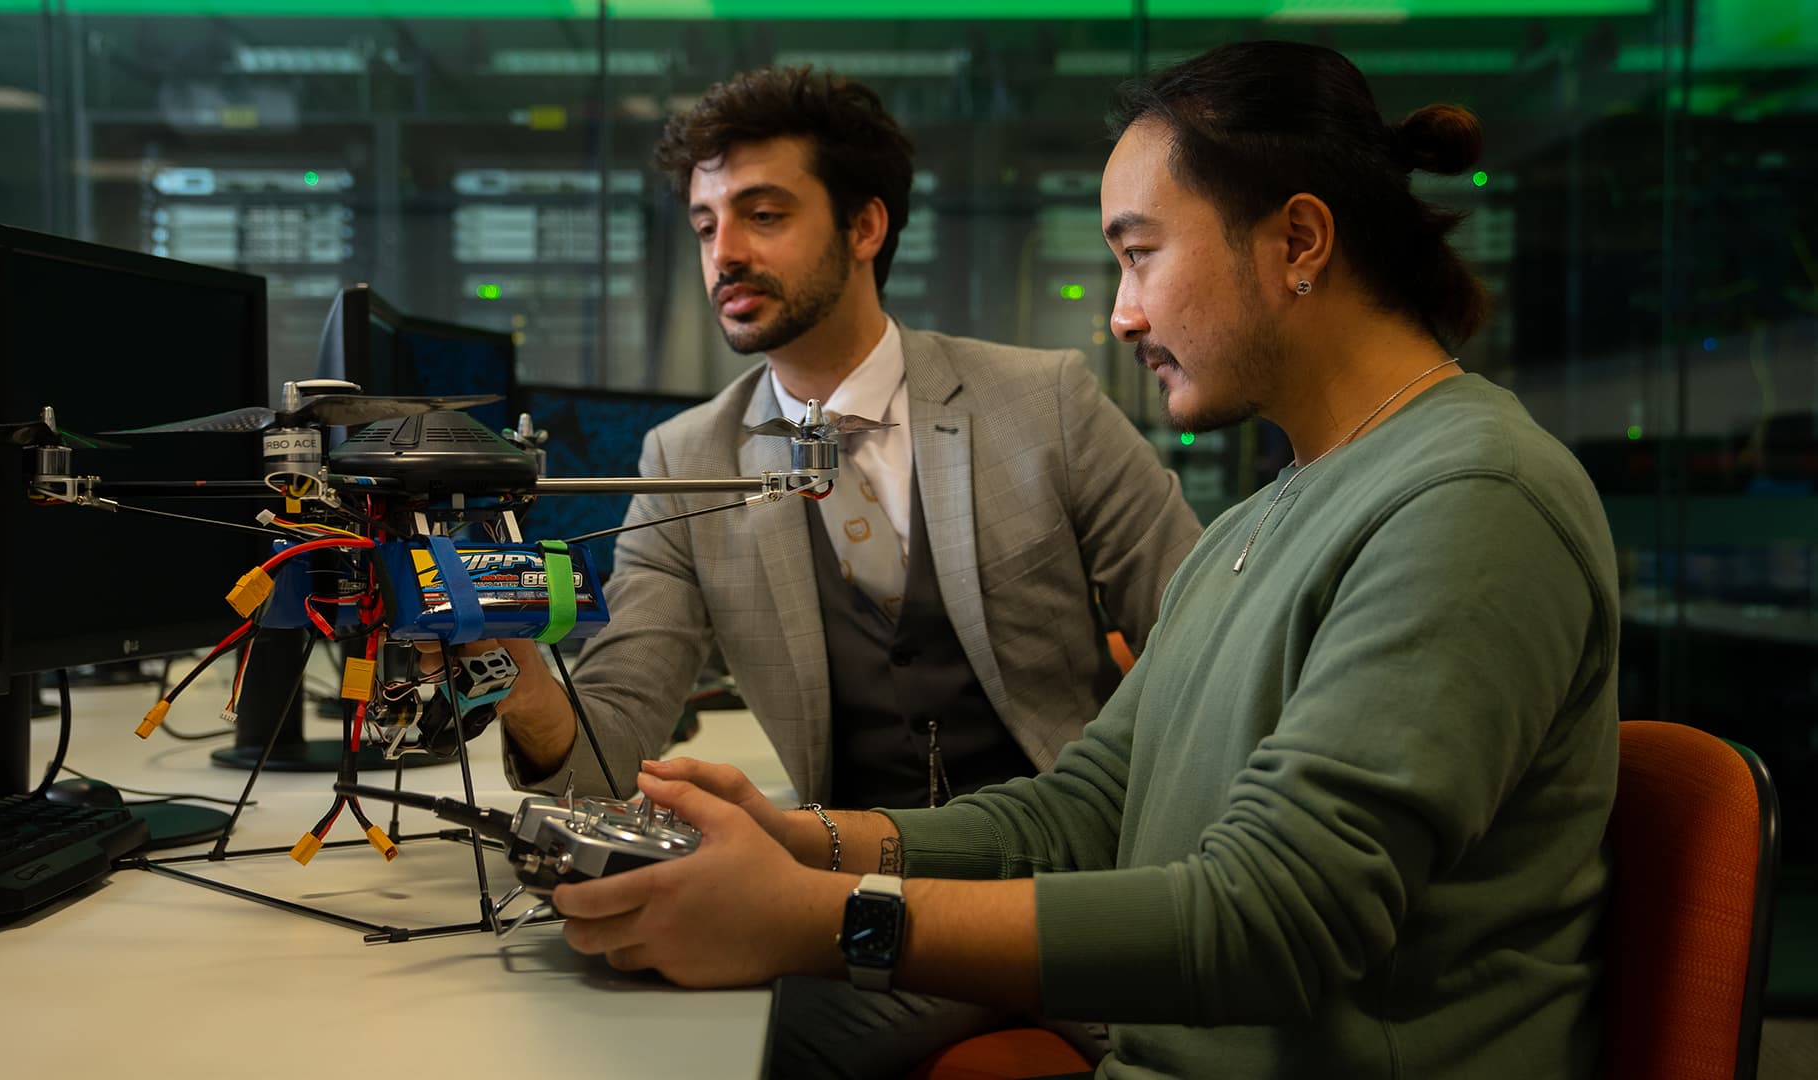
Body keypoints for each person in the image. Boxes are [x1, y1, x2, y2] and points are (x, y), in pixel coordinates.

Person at [546, 41, 1622, 1080]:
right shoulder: (1265, 520)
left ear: (1299, 242)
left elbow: (1273, 920)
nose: (1121, 314)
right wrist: (807, 841)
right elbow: (1084, 811)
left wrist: (825, 917)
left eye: (1141, 251)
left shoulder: (1472, 502)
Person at [459, 66, 1201, 813]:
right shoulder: (687, 461)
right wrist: (523, 685)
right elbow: (606, 755)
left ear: (865, 228)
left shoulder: (1047, 401)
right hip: (844, 877)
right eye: (706, 225)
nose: (725, 255)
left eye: (765, 215)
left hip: (1071, 866)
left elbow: (1208, 639)